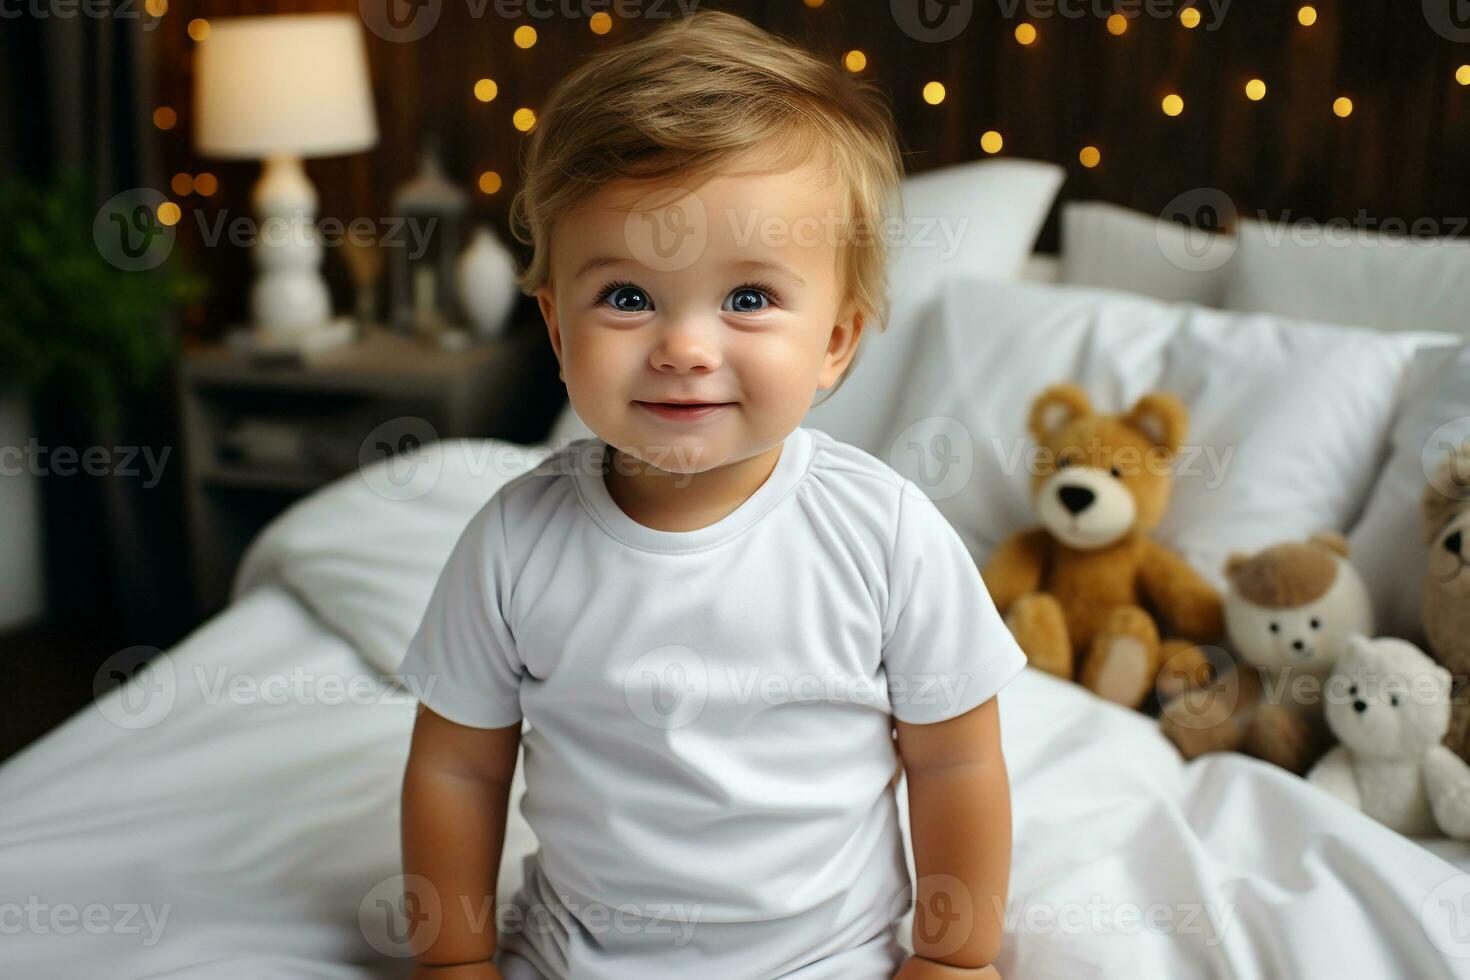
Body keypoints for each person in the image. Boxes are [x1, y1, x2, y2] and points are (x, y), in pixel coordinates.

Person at [398, 11, 1026, 979]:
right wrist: (453, 959)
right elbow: (457, 765)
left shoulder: (883, 531)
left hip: (830, 956)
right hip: (576, 957)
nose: (685, 346)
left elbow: (955, 761)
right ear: (559, 330)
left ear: (836, 341)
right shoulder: (514, 539)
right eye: (627, 296)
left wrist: (953, 957)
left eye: (747, 298)